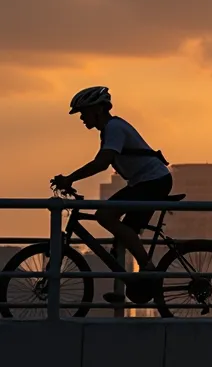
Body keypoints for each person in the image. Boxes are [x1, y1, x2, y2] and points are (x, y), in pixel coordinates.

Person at [52, 86, 173, 303]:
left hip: (152, 182)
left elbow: (101, 163)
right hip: (145, 182)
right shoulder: (110, 129)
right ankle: (123, 291)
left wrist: (70, 178)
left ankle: (148, 269)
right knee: (121, 238)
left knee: (104, 216)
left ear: (98, 109)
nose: (81, 118)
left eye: (83, 112)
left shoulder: (114, 128)